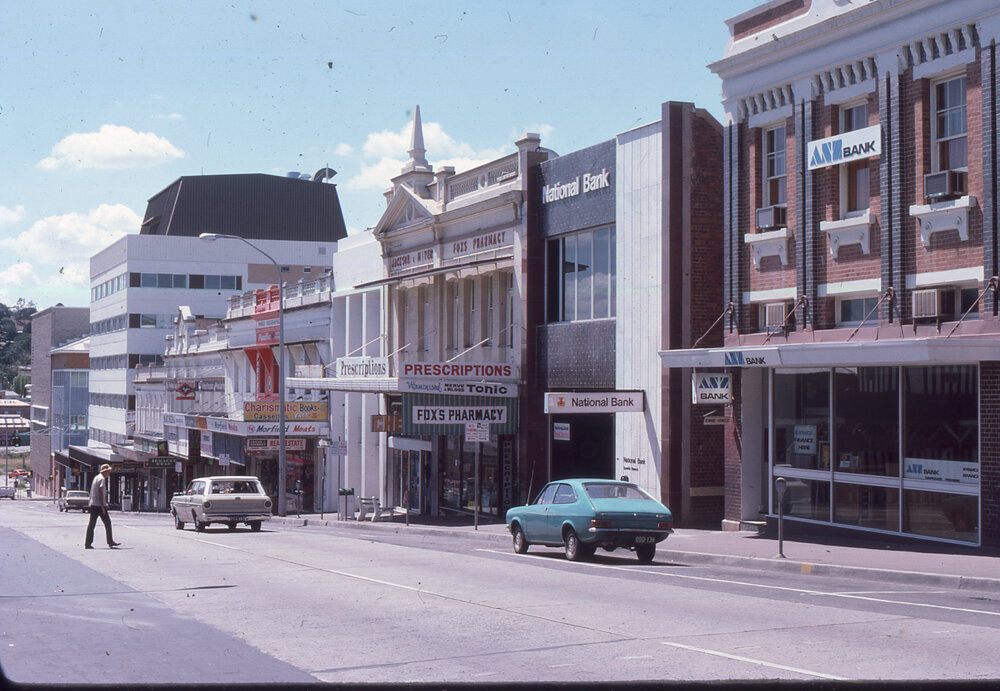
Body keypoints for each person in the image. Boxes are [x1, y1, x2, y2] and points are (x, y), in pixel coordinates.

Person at [85, 463, 121, 549]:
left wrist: (104, 503)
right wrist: (102, 506)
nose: (109, 473)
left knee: (92, 524)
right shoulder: (102, 479)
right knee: (107, 523)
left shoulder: (96, 477)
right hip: (99, 506)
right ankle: (110, 541)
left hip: (93, 504)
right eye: (108, 471)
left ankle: (88, 543)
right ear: (105, 471)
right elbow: (100, 491)